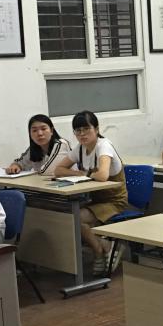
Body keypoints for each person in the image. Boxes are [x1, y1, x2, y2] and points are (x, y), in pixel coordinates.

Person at [53, 111, 130, 276]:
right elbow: (58, 170)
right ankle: (103, 248)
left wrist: (86, 174)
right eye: (78, 130)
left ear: (96, 129)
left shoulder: (103, 146)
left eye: (86, 129)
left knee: (76, 218)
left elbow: (102, 175)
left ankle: (100, 251)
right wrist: (79, 173)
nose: (82, 134)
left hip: (114, 201)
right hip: (94, 200)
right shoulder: (80, 149)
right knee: (67, 216)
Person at [5, 114, 70, 176]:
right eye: (34, 130)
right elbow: (20, 163)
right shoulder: (34, 148)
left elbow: (47, 171)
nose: (39, 133)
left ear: (51, 131)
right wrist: (15, 166)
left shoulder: (61, 144)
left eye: (43, 129)